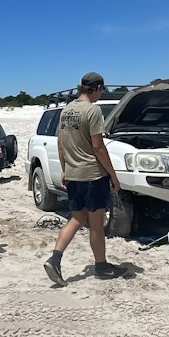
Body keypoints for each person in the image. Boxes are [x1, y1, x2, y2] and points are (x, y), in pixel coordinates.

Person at [43, 73, 122, 286]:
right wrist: (113, 176)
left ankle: (55, 258)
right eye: (101, 90)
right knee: (96, 224)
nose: (101, 93)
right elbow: (98, 146)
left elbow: (60, 143)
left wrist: (65, 170)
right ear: (95, 88)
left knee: (76, 219)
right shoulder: (92, 110)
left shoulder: (66, 110)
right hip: (93, 175)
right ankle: (101, 266)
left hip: (73, 175)